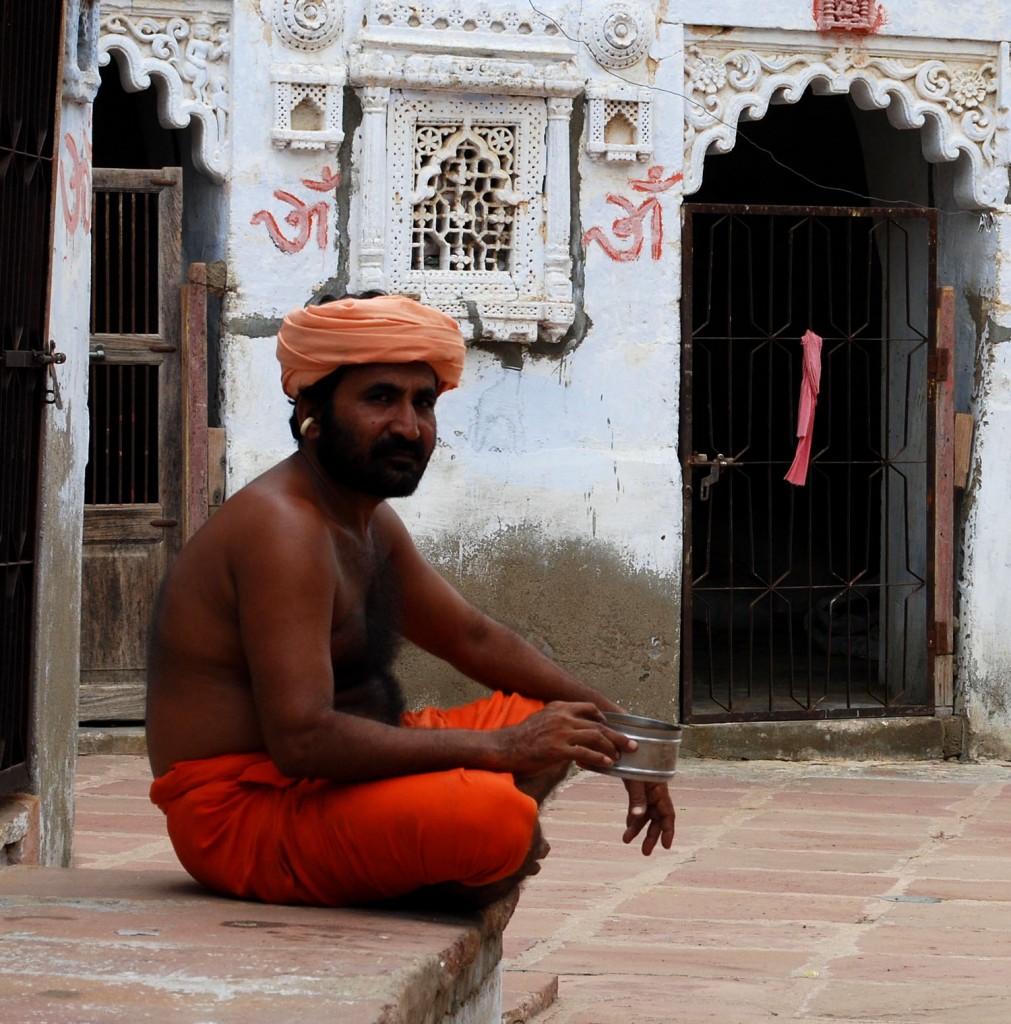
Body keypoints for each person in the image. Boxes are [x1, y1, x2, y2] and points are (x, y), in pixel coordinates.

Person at [146, 292, 675, 908]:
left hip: (326, 781)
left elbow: (472, 638)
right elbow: (302, 740)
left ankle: (423, 852)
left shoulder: (365, 519)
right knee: (495, 818)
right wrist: (505, 750)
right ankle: (442, 854)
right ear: (312, 410)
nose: (408, 426)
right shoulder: (283, 528)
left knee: (559, 719)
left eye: (422, 402)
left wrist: (626, 737)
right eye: (379, 398)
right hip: (242, 816)